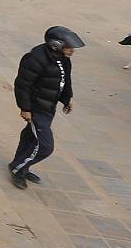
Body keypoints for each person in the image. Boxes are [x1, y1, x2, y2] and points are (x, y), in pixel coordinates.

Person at [9, 26, 84, 189]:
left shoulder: (64, 59)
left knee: (30, 137)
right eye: (69, 47)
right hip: (36, 109)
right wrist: (25, 108)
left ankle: (20, 164)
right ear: (56, 44)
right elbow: (22, 84)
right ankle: (18, 170)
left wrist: (66, 98)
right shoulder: (35, 58)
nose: (72, 51)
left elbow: (65, 80)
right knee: (45, 146)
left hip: (48, 107)